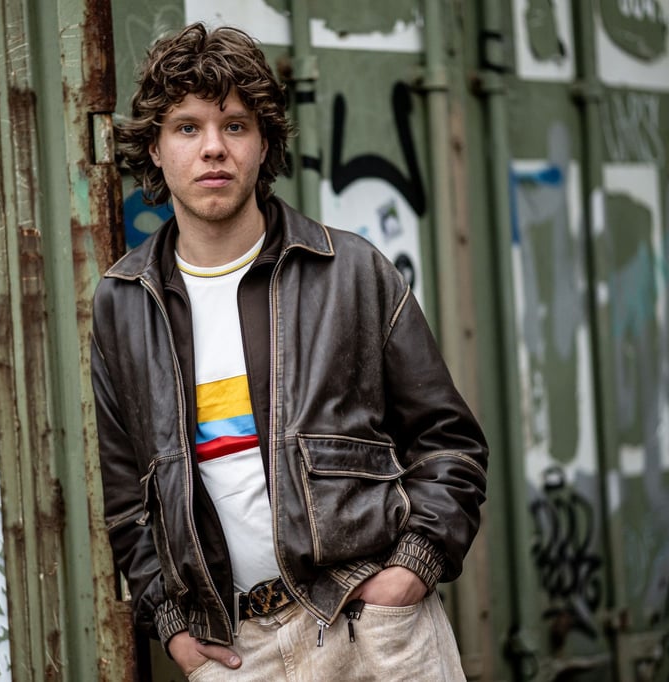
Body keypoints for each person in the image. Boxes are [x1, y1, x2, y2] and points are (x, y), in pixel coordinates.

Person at [91, 22, 488, 681]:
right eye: (187, 127)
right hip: (235, 652)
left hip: (371, 627)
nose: (213, 147)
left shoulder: (350, 271)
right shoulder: (123, 303)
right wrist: (174, 629)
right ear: (155, 149)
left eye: (235, 125)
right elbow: (128, 497)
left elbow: (449, 444)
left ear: (264, 142)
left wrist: (411, 571)